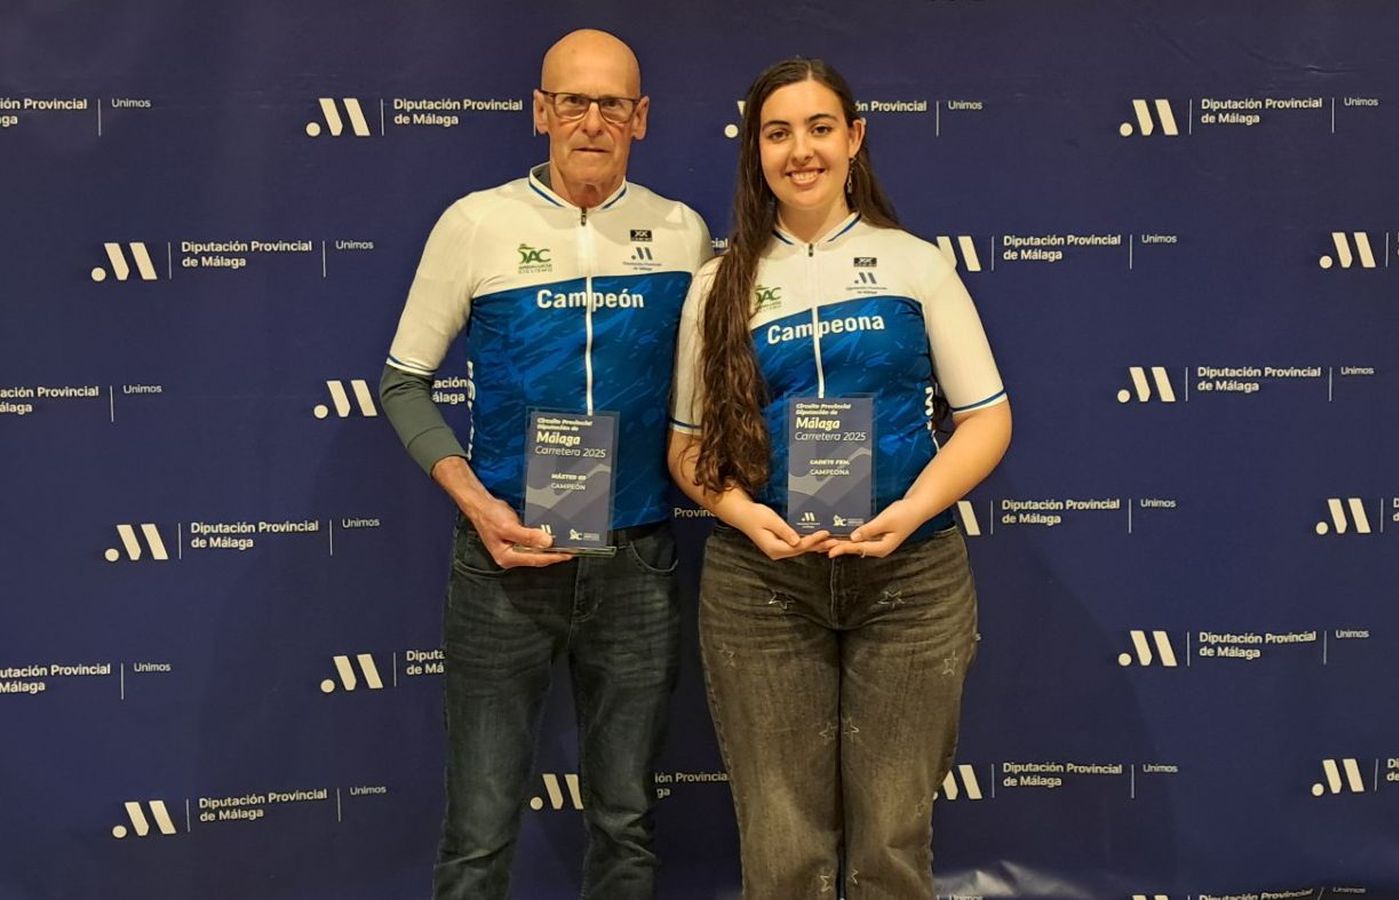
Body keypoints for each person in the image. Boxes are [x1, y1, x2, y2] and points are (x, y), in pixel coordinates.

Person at [379, 28, 711, 900]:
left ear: (640, 117)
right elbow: (403, 383)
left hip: (638, 561)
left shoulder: (682, 231)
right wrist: (477, 504)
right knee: (480, 831)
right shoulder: (475, 223)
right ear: (540, 111)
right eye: (572, 101)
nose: (591, 121)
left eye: (611, 104)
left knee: (626, 824)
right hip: (504, 560)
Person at [668, 58, 1011, 899]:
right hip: (763, 585)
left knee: (891, 845)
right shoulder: (717, 284)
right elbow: (687, 449)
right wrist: (744, 516)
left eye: (820, 128)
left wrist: (911, 510)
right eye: (778, 133)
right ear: (755, 151)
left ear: (854, 138)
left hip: (911, 579)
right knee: (783, 851)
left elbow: (987, 419)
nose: (801, 151)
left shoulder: (914, 264)